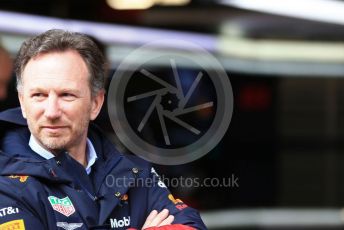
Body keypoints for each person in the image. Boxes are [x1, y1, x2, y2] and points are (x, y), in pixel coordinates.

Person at [0, 29, 206, 230]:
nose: (52, 111)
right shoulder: (6, 184)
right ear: (22, 102)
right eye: (39, 95)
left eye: (66, 95)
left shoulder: (134, 172)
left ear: (95, 104)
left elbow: (191, 225)